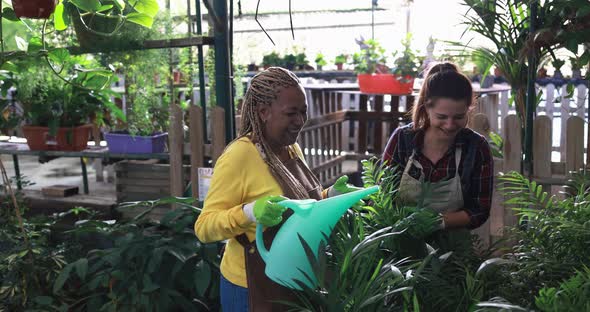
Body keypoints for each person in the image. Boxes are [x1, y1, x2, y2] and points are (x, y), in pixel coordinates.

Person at [194, 67, 357, 312]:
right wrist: (250, 212)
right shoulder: (239, 156)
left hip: (294, 281)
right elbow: (204, 227)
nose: (300, 121)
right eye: (291, 113)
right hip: (251, 289)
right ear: (264, 112)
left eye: (303, 112)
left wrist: (329, 195)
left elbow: (300, 206)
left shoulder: (290, 149)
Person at [382, 62, 493, 245]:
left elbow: (480, 210)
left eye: (459, 117)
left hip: (453, 251)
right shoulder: (404, 139)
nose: (450, 125)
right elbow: (382, 195)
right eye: (441, 117)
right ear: (427, 107)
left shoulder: (476, 147)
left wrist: (438, 222)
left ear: (469, 108)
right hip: (399, 244)